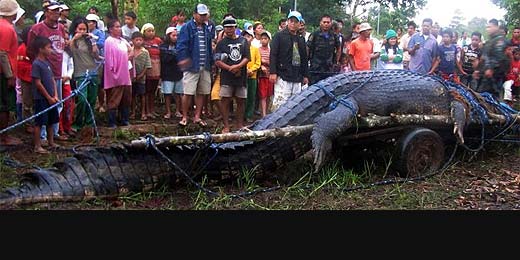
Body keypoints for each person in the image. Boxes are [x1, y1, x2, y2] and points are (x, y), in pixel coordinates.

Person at [27, 0, 68, 142]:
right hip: (42, 70)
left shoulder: (61, 28)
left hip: (56, 70)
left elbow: (63, 45)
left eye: (58, 10)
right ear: (46, 12)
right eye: (53, 10)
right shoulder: (37, 29)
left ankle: (54, 134)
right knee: (43, 104)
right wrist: (39, 64)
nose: (56, 13)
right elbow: (30, 49)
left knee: (57, 103)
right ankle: (42, 136)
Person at [176, 3, 213, 127]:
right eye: (200, 15)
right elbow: (181, 46)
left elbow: (209, 47)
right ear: (194, 14)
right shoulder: (187, 27)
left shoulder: (207, 28)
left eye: (204, 15)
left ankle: (197, 116)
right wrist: (183, 59)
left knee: (202, 92)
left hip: (205, 64)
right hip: (192, 65)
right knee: (188, 92)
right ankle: (185, 116)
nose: (203, 17)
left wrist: (211, 62)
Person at [215, 17, 250, 133]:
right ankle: (226, 125)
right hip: (226, 76)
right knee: (225, 100)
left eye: (231, 27)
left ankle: (239, 124)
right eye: (226, 27)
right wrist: (229, 68)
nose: (229, 29)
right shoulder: (221, 43)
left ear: (235, 27)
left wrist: (238, 66)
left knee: (241, 100)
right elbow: (217, 60)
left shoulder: (244, 41)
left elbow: (247, 57)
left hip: (241, 75)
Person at [269, 11, 309, 111]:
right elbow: (273, 54)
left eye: (296, 22)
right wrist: (273, 72)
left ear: (300, 24)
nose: (293, 24)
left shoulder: (301, 39)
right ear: (287, 21)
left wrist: (305, 75)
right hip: (282, 75)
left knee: (295, 105)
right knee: (280, 103)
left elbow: (304, 58)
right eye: (291, 21)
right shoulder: (279, 36)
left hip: (297, 75)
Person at [70, 17, 101, 133]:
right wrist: (74, 39)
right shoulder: (73, 41)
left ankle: (89, 123)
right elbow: (70, 51)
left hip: (92, 72)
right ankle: (78, 123)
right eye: (80, 29)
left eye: (84, 29)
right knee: (82, 99)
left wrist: (93, 42)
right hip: (80, 73)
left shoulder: (89, 40)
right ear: (75, 29)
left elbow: (96, 56)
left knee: (92, 99)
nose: (82, 32)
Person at [31, 36, 60, 154]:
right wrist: (48, 97)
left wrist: (55, 95)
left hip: (52, 97)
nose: (51, 50)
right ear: (40, 49)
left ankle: (51, 141)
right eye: (49, 47)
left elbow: (52, 79)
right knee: (39, 121)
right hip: (41, 98)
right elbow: (38, 83)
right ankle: (37, 146)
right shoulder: (36, 64)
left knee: (51, 120)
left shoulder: (47, 63)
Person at [0, 0, 23, 146]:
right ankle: (4, 137)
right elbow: (2, 53)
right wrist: (9, 75)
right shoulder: (7, 28)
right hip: (3, 73)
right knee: (4, 105)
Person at [103, 19, 133, 128]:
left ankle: (124, 119)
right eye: (116, 27)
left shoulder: (123, 40)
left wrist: (128, 56)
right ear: (111, 29)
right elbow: (109, 59)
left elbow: (131, 51)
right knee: (114, 98)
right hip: (115, 74)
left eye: (120, 26)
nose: (119, 29)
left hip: (125, 73)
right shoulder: (109, 41)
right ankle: (112, 121)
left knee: (126, 97)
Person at [473, 19, 511, 99]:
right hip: (485, 76)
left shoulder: (499, 40)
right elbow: (484, 57)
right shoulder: (490, 41)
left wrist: (491, 69)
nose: (488, 29)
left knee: (492, 98)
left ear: (496, 27)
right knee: (480, 96)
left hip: (495, 76)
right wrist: (478, 70)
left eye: (490, 27)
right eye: (487, 27)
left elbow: (499, 56)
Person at [307, 14, 341, 84]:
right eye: (324, 22)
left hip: (328, 68)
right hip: (316, 68)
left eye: (328, 22)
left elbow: (339, 48)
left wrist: (336, 61)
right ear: (320, 23)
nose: (326, 24)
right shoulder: (314, 34)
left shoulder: (334, 36)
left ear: (331, 23)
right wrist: (306, 61)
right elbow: (308, 48)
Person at [160, 27, 184, 119]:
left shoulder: (180, 45)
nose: (175, 37)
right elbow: (164, 59)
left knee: (178, 93)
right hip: (167, 73)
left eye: (177, 35)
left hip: (178, 73)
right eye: (173, 35)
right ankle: (168, 112)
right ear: (168, 36)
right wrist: (173, 54)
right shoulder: (163, 46)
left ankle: (178, 111)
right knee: (167, 94)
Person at [141, 23, 162, 119]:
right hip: (147, 69)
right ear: (144, 32)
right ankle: (145, 111)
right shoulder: (142, 42)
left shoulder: (158, 41)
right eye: (148, 31)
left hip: (156, 68)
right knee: (146, 91)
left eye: (152, 30)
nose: (151, 33)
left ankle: (152, 110)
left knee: (153, 91)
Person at [129, 31, 151, 121]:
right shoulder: (130, 50)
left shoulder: (145, 52)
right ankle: (133, 112)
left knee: (142, 95)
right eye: (136, 40)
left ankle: (143, 112)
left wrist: (142, 75)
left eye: (140, 40)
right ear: (132, 41)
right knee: (133, 95)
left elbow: (148, 65)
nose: (138, 42)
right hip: (131, 78)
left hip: (142, 78)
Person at [241, 29, 260, 123]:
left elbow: (258, 62)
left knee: (251, 96)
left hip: (252, 76)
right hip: (242, 76)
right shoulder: (240, 48)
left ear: (252, 38)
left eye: (248, 36)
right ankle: (241, 115)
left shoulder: (255, 49)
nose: (246, 38)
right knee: (242, 96)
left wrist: (251, 70)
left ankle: (249, 115)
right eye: (244, 36)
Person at [257, 30, 273, 117]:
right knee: (262, 95)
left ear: (269, 40)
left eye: (265, 38)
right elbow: (256, 61)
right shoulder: (258, 50)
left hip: (270, 75)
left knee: (269, 95)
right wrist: (261, 65)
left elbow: (273, 62)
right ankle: (263, 114)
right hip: (261, 76)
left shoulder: (271, 51)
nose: (263, 40)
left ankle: (266, 113)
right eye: (262, 38)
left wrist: (265, 62)